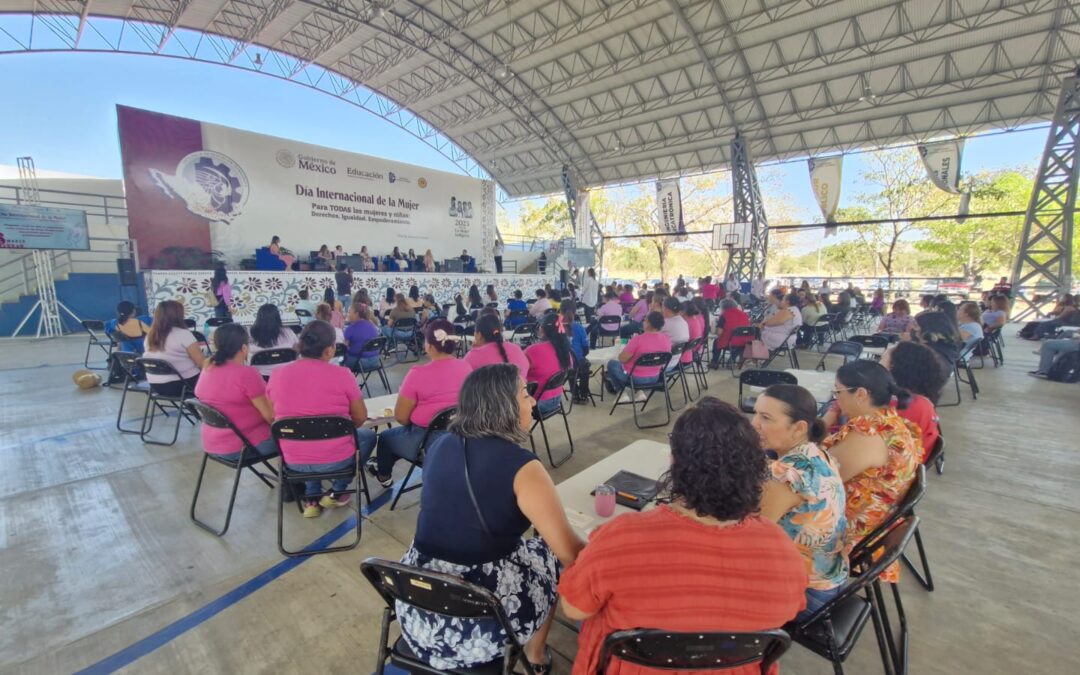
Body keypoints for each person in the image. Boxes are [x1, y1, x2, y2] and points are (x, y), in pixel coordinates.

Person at [559, 397, 807, 675]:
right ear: (755, 468)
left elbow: (574, 609)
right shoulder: (782, 551)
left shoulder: (621, 537)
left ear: (675, 462)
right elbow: (788, 612)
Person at [398, 364, 585, 671]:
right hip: (478, 631)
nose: (533, 401)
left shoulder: (439, 444)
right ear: (504, 405)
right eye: (524, 394)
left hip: (417, 612)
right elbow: (571, 552)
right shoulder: (523, 467)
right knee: (551, 556)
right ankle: (535, 656)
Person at [821, 361, 922, 583]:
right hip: (875, 521)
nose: (836, 399)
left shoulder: (870, 434)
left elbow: (819, 481)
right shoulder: (889, 422)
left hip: (850, 532)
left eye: (838, 392)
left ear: (861, 394)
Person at [753, 385, 847, 620]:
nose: (754, 424)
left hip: (808, 595)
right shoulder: (818, 454)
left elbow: (750, 538)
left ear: (799, 428)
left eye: (765, 418)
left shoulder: (786, 473)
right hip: (829, 579)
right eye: (755, 414)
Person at [266, 321, 378, 517]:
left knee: (305, 435)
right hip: (337, 460)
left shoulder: (277, 375)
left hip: (293, 462)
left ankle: (312, 499)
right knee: (367, 436)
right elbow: (360, 418)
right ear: (330, 350)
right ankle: (337, 491)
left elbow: (271, 417)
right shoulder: (343, 375)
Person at [368, 320, 473, 487]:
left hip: (427, 442)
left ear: (429, 346)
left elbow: (401, 418)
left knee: (387, 438)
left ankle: (384, 476)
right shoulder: (466, 367)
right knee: (399, 438)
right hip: (462, 438)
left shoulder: (417, 374)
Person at [193, 323, 277, 461]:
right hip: (244, 446)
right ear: (244, 348)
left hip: (212, 444)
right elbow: (270, 417)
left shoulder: (208, 366)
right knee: (296, 438)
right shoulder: (247, 374)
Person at [882, 342, 946, 461]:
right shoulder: (921, 400)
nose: (878, 365)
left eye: (882, 360)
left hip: (897, 466)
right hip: (904, 459)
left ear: (895, 368)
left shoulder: (907, 405)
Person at [605, 311, 672, 401]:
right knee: (637, 366)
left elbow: (622, 359)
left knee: (611, 364)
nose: (643, 322)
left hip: (635, 379)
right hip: (655, 377)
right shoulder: (666, 339)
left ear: (648, 324)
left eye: (645, 320)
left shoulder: (638, 339)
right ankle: (639, 392)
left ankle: (621, 393)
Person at [143, 300, 205, 397]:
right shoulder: (183, 334)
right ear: (177, 315)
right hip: (182, 384)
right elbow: (202, 364)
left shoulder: (150, 336)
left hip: (155, 385)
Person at [525, 314, 574, 415]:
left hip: (537, 403)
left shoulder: (533, 350)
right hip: (557, 399)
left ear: (542, 329)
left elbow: (518, 373)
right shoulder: (565, 350)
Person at [464, 313, 530, 374]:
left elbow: (463, 376)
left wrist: (474, 350)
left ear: (479, 335)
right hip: (519, 383)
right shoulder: (516, 349)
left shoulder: (474, 356)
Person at [249, 304, 299, 379]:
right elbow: (297, 349)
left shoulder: (250, 334)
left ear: (258, 317)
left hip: (259, 376)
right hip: (285, 375)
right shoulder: (288, 332)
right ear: (278, 317)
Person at [710, 298, 752, 367]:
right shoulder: (744, 314)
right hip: (744, 342)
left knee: (716, 341)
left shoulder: (724, 315)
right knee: (737, 343)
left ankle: (714, 362)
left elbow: (719, 332)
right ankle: (732, 360)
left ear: (723, 307)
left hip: (730, 342)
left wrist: (715, 326)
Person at [343, 303, 381, 373]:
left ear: (356, 314)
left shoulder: (350, 329)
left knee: (340, 360)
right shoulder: (372, 325)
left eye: (349, 312)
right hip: (376, 360)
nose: (348, 315)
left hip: (360, 362)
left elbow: (344, 348)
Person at [681, 300, 705, 367]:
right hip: (693, 353)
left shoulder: (686, 323)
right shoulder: (696, 319)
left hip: (683, 358)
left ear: (683, 311)